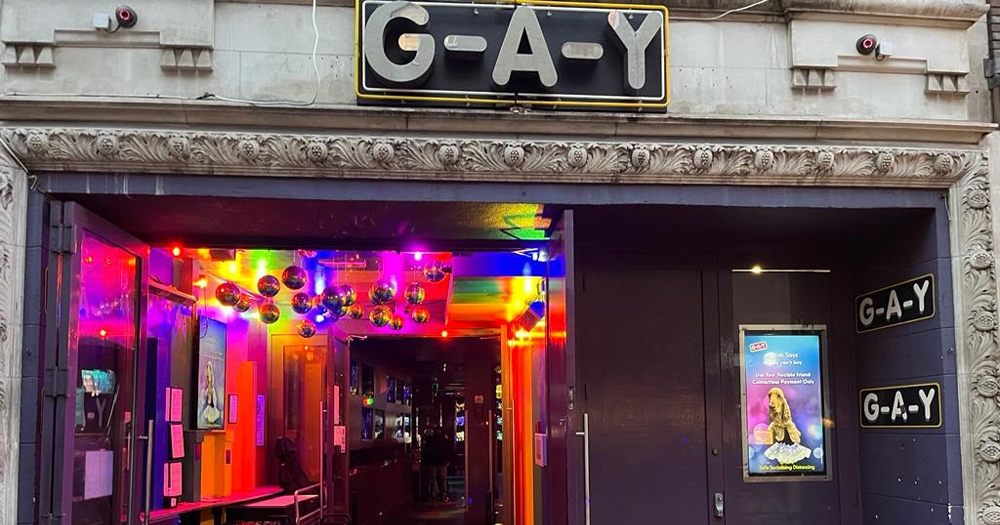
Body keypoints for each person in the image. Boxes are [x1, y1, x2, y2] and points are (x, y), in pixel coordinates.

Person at [424, 427, 453, 501]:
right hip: (443, 462)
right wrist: (448, 460)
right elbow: (449, 450)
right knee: (443, 479)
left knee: (433, 479)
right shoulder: (445, 440)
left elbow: (426, 450)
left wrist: (427, 460)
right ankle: (443, 494)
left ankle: (434, 494)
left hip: (433, 462)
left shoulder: (430, 440)